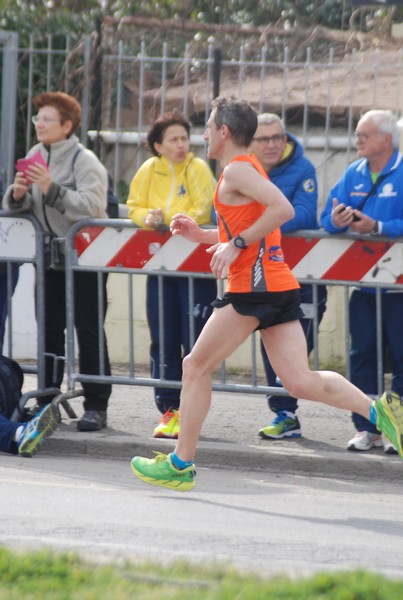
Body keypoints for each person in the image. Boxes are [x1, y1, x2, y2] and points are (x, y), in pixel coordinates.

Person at [130, 96, 403, 491]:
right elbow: (262, 224)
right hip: (276, 286)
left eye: (208, 127)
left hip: (253, 290)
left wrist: (234, 244)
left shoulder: (238, 172)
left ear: (224, 132)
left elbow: (283, 210)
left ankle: (180, 463)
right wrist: (205, 235)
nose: (203, 134)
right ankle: (379, 412)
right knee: (299, 382)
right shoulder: (245, 169)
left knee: (194, 367)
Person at [2, 91, 111, 432]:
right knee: (49, 330)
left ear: (67, 126)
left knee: (89, 331)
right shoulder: (35, 154)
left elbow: (93, 207)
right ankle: (47, 397)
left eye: (47, 119)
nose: (39, 125)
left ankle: (96, 404)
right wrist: (17, 194)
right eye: (37, 119)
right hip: (48, 260)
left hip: (85, 261)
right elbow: (18, 210)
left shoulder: (84, 159)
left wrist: (52, 188)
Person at [127, 112, 217, 439]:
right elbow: (133, 205)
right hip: (162, 266)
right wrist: (146, 217)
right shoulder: (149, 169)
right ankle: (169, 410)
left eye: (184, 138)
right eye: (173, 140)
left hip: (195, 267)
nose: (181, 145)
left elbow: (205, 207)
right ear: (158, 146)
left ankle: (192, 410)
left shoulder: (198, 168)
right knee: (163, 337)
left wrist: (176, 220)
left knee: (195, 342)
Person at [321, 109, 403, 455]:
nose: (357, 141)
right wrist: (338, 221)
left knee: (401, 357)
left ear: (386, 139)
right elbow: (325, 219)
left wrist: (379, 228)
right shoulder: (353, 172)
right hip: (365, 286)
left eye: (363, 135)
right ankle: (367, 428)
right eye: (356, 134)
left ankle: (396, 426)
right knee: (362, 354)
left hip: (399, 287)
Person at [249, 113, 327, 440]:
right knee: (273, 347)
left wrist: (256, 225)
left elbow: (304, 213)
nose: (271, 144)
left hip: (303, 276)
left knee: (296, 354)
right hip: (263, 275)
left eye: (276, 137)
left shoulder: (303, 168)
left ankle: (368, 413)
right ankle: (284, 414)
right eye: (263, 139)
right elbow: (219, 213)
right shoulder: (241, 168)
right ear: (250, 142)